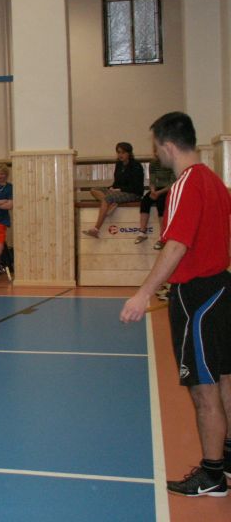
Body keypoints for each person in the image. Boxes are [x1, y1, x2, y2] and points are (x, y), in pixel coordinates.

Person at [120, 112, 231, 498]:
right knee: (224, 378)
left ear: (167, 146)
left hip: (197, 296)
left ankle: (213, 475)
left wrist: (143, 293)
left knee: (203, 389)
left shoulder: (186, 184)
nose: (156, 154)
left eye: (156, 147)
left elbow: (177, 245)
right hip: (221, 288)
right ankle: (227, 455)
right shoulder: (215, 181)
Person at [82, 142, 144, 238]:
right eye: (118, 152)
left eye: (123, 152)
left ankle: (96, 229)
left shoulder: (136, 165)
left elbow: (137, 187)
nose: (120, 155)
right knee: (94, 190)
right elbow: (117, 182)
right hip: (118, 192)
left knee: (107, 198)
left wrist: (120, 189)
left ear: (129, 153)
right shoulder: (119, 164)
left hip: (133, 193)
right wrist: (112, 187)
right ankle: (111, 205)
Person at [134, 155, 176, 249]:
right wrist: (153, 191)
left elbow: (172, 183)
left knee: (161, 202)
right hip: (157, 189)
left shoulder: (172, 163)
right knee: (145, 200)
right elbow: (152, 181)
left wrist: (159, 193)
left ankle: (162, 236)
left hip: (169, 189)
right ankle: (142, 232)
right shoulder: (153, 163)